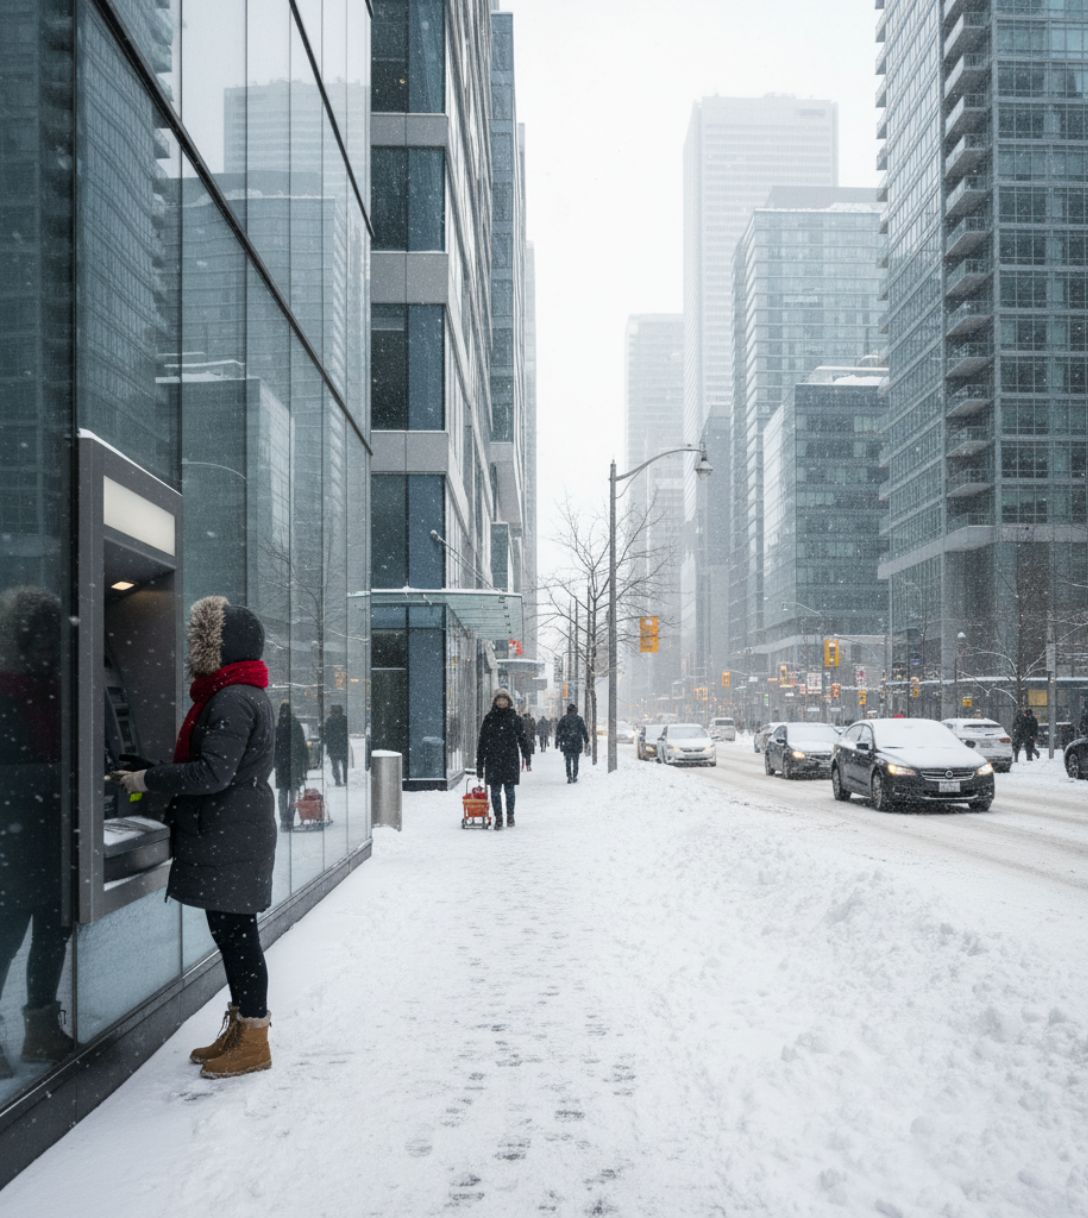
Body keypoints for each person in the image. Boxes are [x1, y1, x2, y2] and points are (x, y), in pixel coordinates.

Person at [112, 596, 276, 1079]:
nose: (193, 651)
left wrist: (148, 782)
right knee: (232, 937)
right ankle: (244, 1027)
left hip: (229, 834)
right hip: (229, 832)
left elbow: (213, 773)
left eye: (202, 642)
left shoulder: (232, 698)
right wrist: (157, 770)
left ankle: (254, 1039)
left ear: (219, 647)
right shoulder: (238, 694)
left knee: (238, 939)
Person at [0, 587, 74, 1080]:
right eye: (41, 642)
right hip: (14, 836)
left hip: (53, 835)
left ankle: (42, 1030)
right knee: (6, 937)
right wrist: (58, 775)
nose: (48, 652)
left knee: (53, 930)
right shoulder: (8, 692)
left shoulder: (58, 688)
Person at [475, 688, 531, 831]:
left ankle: (510, 815)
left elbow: (523, 739)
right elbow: (482, 742)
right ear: (495, 701)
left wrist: (527, 756)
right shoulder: (489, 719)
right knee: (494, 791)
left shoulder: (515, 719)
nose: (501, 702)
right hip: (493, 759)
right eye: (499, 699)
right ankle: (499, 818)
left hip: (510, 759)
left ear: (508, 701)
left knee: (509, 790)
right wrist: (480, 765)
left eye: (504, 699)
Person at [274, 701, 309, 832]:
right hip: (294, 764)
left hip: (282, 765)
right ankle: (289, 819)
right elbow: (302, 745)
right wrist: (305, 762)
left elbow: (274, 747)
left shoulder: (278, 727)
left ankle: (284, 821)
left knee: (283, 793)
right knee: (292, 792)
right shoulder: (295, 725)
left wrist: (275, 761)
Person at [555, 702, 590, 784]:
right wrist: (586, 740)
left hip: (567, 743)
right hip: (576, 743)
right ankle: (574, 776)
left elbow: (558, 730)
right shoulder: (579, 719)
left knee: (568, 761)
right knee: (576, 761)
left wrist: (557, 741)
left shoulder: (564, 719)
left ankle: (569, 776)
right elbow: (584, 730)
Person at [323, 703, 349, 787]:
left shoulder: (329, 721)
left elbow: (326, 735)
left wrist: (328, 746)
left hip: (333, 747)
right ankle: (345, 780)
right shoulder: (345, 720)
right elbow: (346, 733)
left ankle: (338, 781)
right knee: (344, 765)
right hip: (342, 746)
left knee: (335, 765)